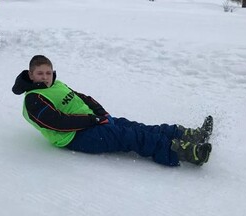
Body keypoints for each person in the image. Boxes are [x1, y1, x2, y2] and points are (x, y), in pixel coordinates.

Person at [12, 55, 213, 167]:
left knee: (134, 126)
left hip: (92, 122)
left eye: (48, 72)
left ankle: (187, 134)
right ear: (31, 74)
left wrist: (103, 114)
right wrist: (94, 121)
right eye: (40, 73)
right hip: (74, 136)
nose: (45, 77)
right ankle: (185, 152)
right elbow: (58, 122)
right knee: (129, 136)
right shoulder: (33, 100)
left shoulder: (57, 84)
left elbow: (83, 98)